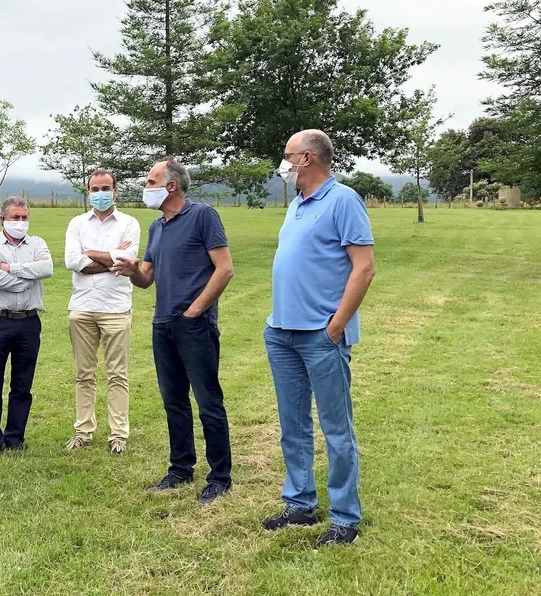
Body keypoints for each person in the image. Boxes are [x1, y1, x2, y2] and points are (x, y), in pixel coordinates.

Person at [261, 129, 376, 548]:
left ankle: (345, 516)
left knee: (336, 427)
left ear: (307, 158)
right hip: (282, 332)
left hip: (321, 336)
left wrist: (336, 325)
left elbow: (363, 268)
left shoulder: (344, 201)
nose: (284, 162)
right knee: (292, 424)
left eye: (287, 155)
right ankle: (301, 503)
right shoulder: (295, 204)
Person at [113, 159, 235, 505]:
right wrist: (132, 269)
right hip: (162, 324)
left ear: (170, 186)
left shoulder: (203, 216)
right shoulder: (157, 226)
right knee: (173, 402)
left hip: (194, 325)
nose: (145, 185)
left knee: (208, 401)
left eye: (151, 180)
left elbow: (224, 270)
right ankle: (181, 468)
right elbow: (147, 278)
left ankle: (220, 477)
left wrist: (195, 310)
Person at [63, 169, 140, 454]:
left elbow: (128, 261)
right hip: (81, 308)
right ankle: (83, 431)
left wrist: (91, 252)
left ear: (115, 190)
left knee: (117, 374)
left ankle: (118, 434)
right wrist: (111, 256)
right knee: (84, 374)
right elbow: (72, 260)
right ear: (88, 191)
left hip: (116, 308)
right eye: (95, 188)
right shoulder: (77, 223)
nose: (100, 193)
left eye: (105, 187)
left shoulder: (129, 223)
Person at [0, 197, 53, 457]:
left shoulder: (37, 243)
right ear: (2, 218)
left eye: (24, 217)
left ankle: (14, 438)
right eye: (15, 217)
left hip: (29, 322)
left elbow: (46, 268)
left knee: (22, 385)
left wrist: (12, 269)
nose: (20, 222)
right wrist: (27, 276)